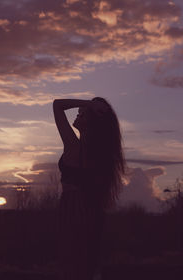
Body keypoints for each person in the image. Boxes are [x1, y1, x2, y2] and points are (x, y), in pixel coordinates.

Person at [53, 97, 125, 280]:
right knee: (85, 264)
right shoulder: (99, 156)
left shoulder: (74, 147)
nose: (77, 113)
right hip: (90, 212)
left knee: (71, 265)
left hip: (72, 211)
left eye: (82, 112)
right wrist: (90, 106)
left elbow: (57, 105)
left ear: (91, 121)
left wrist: (89, 103)